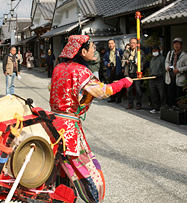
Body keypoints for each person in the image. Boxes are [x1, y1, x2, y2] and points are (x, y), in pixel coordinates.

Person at [50, 35, 133, 203]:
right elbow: (104, 91)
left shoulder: (58, 68)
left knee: (59, 166)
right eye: (92, 47)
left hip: (52, 124)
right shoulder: (81, 71)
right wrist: (123, 83)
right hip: (69, 128)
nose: (94, 49)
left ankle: (59, 196)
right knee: (85, 170)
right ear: (82, 51)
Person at [165, 38, 187, 108]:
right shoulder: (170, 53)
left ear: (181, 45)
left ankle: (178, 109)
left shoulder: (184, 56)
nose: (176, 45)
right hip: (170, 78)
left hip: (179, 78)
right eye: (175, 44)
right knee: (170, 95)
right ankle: (170, 109)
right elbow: (166, 62)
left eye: (178, 44)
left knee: (178, 95)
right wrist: (167, 67)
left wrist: (179, 70)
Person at [122, 38, 144, 109]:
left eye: (134, 43)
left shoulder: (140, 52)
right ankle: (130, 103)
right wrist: (126, 61)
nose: (132, 44)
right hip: (128, 72)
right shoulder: (126, 52)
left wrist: (139, 64)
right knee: (129, 90)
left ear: (136, 44)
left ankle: (138, 104)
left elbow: (144, 61)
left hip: (137, 72)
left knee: (138, 89)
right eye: (131, 43)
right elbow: (122, 60)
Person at [104, 39, 124, 103]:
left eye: (112, 43)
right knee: (111, 84)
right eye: (109, 43)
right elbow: (104, 60)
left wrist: (122, 68)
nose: (110, 45)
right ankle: (112, 98)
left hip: (117, 69)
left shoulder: (119, 51)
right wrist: (107, 64)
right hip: (111, 69)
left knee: (118, 84)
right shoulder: (107, 52)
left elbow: (122, 59)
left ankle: (119, 98)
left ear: (114, 44)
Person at [149, 45, 166, 114]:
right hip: (152, 78)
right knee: (153, 94)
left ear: (159, 51)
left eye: (156, 51)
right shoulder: (152, 60)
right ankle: (156, 108)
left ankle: (163, 107)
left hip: (160, 78)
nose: (154, 52)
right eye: (153, 51)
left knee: (162, 94)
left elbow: (164, 69)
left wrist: (161, 74)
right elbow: (150, 69)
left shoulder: (162, 59)